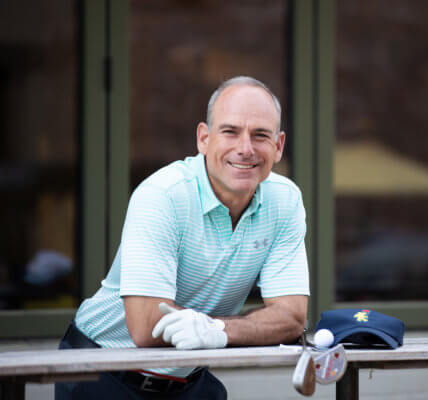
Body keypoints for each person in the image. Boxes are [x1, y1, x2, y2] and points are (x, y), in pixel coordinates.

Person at [55, 76, 310, 399]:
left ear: (278, 146)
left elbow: (291, 317)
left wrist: (217, 331)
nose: (245, 149)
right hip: (101, 369)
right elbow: (146, 326)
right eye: (230, 131)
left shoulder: (285, 200)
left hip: (187, 378)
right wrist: (221, 329)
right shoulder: (163, 195)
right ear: (204, 138)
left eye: (260, 135)